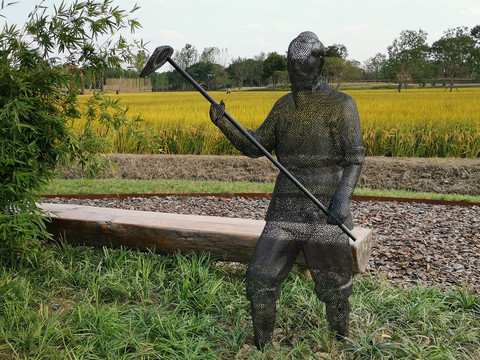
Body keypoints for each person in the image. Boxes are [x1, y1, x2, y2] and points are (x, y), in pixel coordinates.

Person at [209, 31, 365, 349]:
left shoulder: (341, 105)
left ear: (318, 64)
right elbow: (256, 146)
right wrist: (225, 124)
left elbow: (354, 160)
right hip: (284, 211)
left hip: (325, 211)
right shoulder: (283, 107)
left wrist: (341, 199)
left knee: (335, 287)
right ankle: (265, 346)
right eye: (291, 68)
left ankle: (338, 343)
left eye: (301, 66)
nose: (296, 74)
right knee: (259, 278)